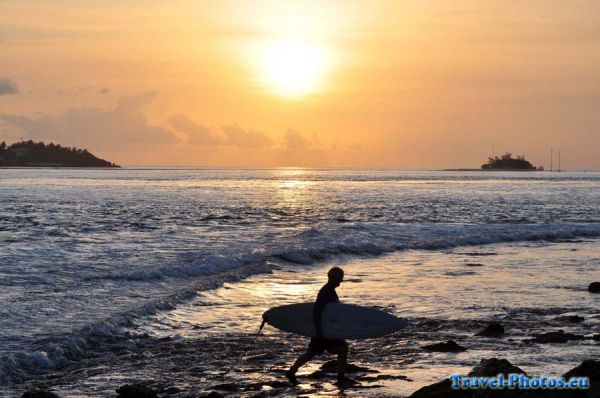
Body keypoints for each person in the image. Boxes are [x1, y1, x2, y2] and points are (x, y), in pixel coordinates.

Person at [285, 267, 356, 386]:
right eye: (340, 278)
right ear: (333, 278)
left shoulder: (330, 291)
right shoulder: (326, 292)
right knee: (342, 348)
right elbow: (317, 312)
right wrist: (319, 331)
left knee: (311, 353)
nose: (341, 281)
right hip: (323, 331)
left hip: (325, 329)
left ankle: (291, 372)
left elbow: (331, 312)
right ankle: (340, 378)